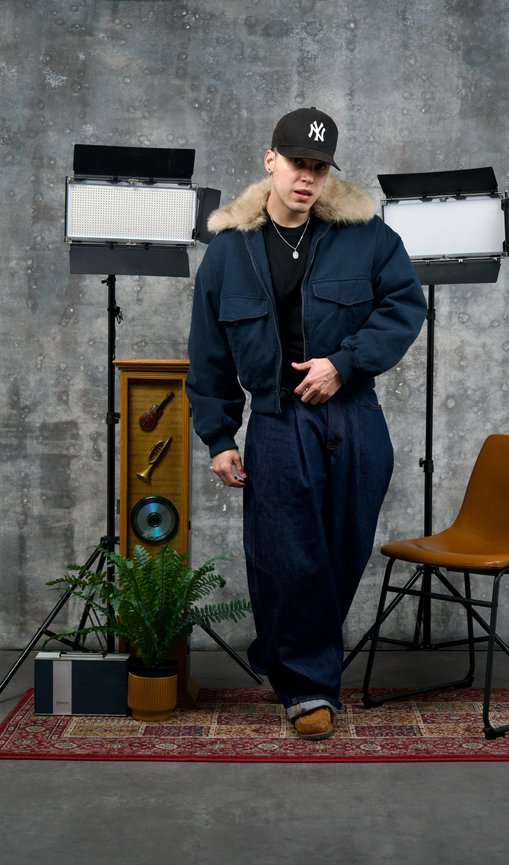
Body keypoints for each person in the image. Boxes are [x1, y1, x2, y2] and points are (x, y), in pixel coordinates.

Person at [186, 106, 426, 740]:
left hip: (354, 414)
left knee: (341, 551)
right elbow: (208, 352)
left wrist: (344, 365)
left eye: (319, 168)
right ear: (271, 161)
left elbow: (405, 306)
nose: (307, 179)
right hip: (277, 418)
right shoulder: (228, 253)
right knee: (289, 556)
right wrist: (218, 436)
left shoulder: (369, 237)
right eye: (297, 164)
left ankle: (284, 655)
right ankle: (310, 688)